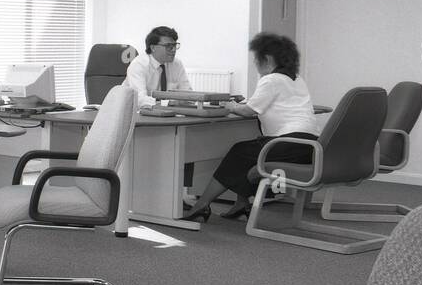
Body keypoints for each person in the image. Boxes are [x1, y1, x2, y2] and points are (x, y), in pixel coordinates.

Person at [183, 33, 320, 222]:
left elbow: (249, 111)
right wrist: (244, 103)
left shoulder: (271, 80)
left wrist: (230, 106)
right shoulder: (295, 78)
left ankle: (201, 205)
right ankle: (241, 204)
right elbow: (265, 104)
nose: (255, 62)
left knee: (238, 152)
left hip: (289, 142)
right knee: (250, 152)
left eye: (256, 57)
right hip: (310, 144)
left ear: (268, 59)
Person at [125, 26, 192, 108]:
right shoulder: (138, 65)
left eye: (175, 45)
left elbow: (188, 94)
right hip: (134, 114)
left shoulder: (176, 64)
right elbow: (139, 100)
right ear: (153, 47)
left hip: (166, 113)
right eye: (168, 46)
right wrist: (169, 103)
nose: (173, 49)